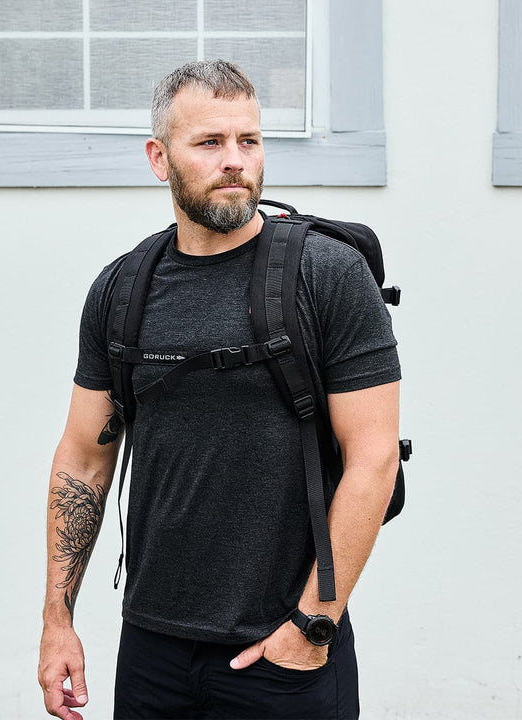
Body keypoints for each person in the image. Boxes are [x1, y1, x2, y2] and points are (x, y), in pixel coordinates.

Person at [38, 60, 401, 720]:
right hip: (151, 651)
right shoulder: (122, 289)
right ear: (159, 157)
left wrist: (312, 628)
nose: (235, 161)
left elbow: (373, 458)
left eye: (249, 141)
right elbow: (85, 461)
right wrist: (57, 622)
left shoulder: (327, 275)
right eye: (210, 143)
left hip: (283, 652)